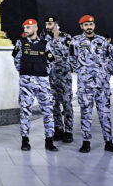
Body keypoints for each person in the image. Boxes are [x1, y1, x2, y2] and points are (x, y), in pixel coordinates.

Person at [70, 15, 113, 154]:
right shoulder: (75, 41)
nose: (89, 27)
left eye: (91, 24)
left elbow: (108, 58)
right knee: (86, 113)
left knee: (105, 113)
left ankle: (109, 142)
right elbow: (71, 60)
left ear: (94, 25)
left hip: (102, 84)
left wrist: (103, 72)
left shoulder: (102, 41)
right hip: (85, 85)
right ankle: (86, 142)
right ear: (81, 26)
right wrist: (83, 71)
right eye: (86, 25)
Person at [12, 19, 58, 152]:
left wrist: (42, 73)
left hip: (42, 82)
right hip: (26, 82)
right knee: (25, 112)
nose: (26, 30)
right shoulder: (20, 43)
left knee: (48, 111)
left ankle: (49, 140)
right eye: (25, 28)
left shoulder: (45, 44)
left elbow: (50, 61)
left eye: (28, 27)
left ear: (35, 28)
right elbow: (17, 61)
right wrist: (26, 74)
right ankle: (25, 140)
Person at [44, 16, 74, 143]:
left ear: (56, 24)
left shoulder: (66, 37)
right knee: (54, 104)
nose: (48, 26)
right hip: (51, 76)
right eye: (46, 24)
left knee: (66, 103)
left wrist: (56, 39)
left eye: (50, 24)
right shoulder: (44, 37)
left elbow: (66, 53)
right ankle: (58, 129)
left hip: (64, 75)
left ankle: (69, 131)